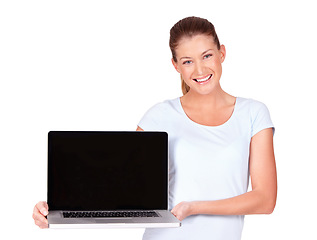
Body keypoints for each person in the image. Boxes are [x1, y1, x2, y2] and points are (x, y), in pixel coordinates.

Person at [33, 16, 277, 240]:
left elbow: (265, 200)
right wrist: (55, 209)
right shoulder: (159, 117)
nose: (200, 70)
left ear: (222, 53)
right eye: (187, 61)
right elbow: (119, 189)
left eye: (207, 56)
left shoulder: (253, 114)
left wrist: (194, 207)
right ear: (175, 65)